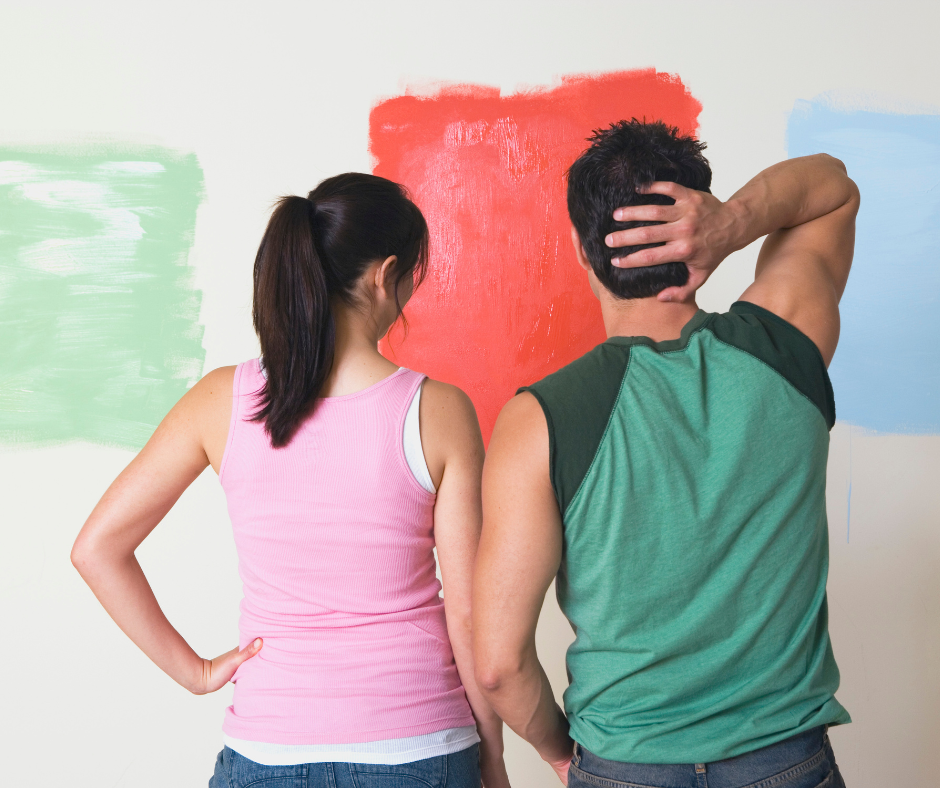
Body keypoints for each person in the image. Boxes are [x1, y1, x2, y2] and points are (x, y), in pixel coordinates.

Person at [71, 173, 510, 788]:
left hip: (266, 750)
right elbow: (466, 614)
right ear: (385, 275)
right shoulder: (437, 409)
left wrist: (196, 673)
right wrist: (492, 756)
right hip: (418, 746)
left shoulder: (220, 399)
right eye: (412, 277)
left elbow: (96, 548)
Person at [472, 120, 858, 788]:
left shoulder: (538, 421)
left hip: (625, 763)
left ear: (580, 247)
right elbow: (832, 187)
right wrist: (735, 223)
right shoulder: (785, 348)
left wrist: (564, 755)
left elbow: (498, 664)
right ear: (700, 222)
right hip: (785, 761)